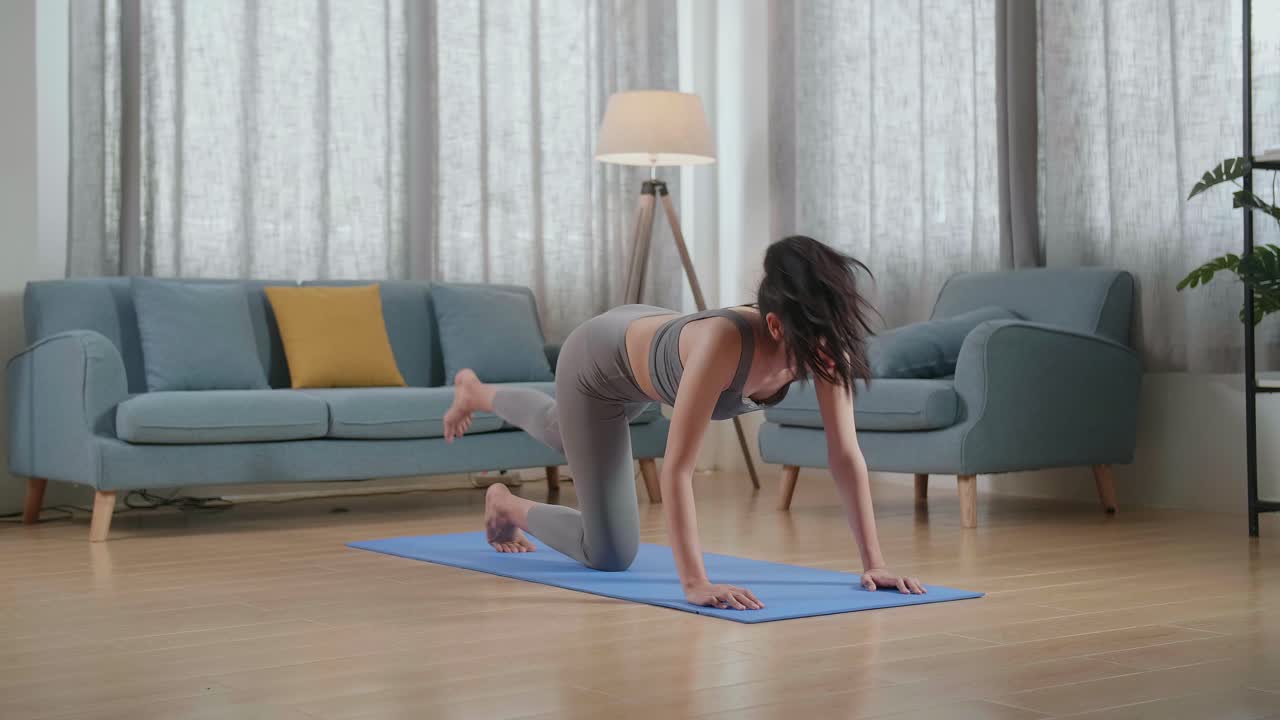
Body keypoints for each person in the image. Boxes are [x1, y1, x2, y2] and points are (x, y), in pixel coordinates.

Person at [443, 235, 925, 611]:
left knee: (559, 428)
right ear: (776, 325)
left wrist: (875, 564)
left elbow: (843, 455)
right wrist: (695, 582)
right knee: (609, 551)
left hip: (649, 342)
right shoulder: (725, 342)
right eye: (814, 340)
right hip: (598, 361)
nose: (827, 351)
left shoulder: (824, 342)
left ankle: (477, 392)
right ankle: (504, 502)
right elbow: (678, 469)